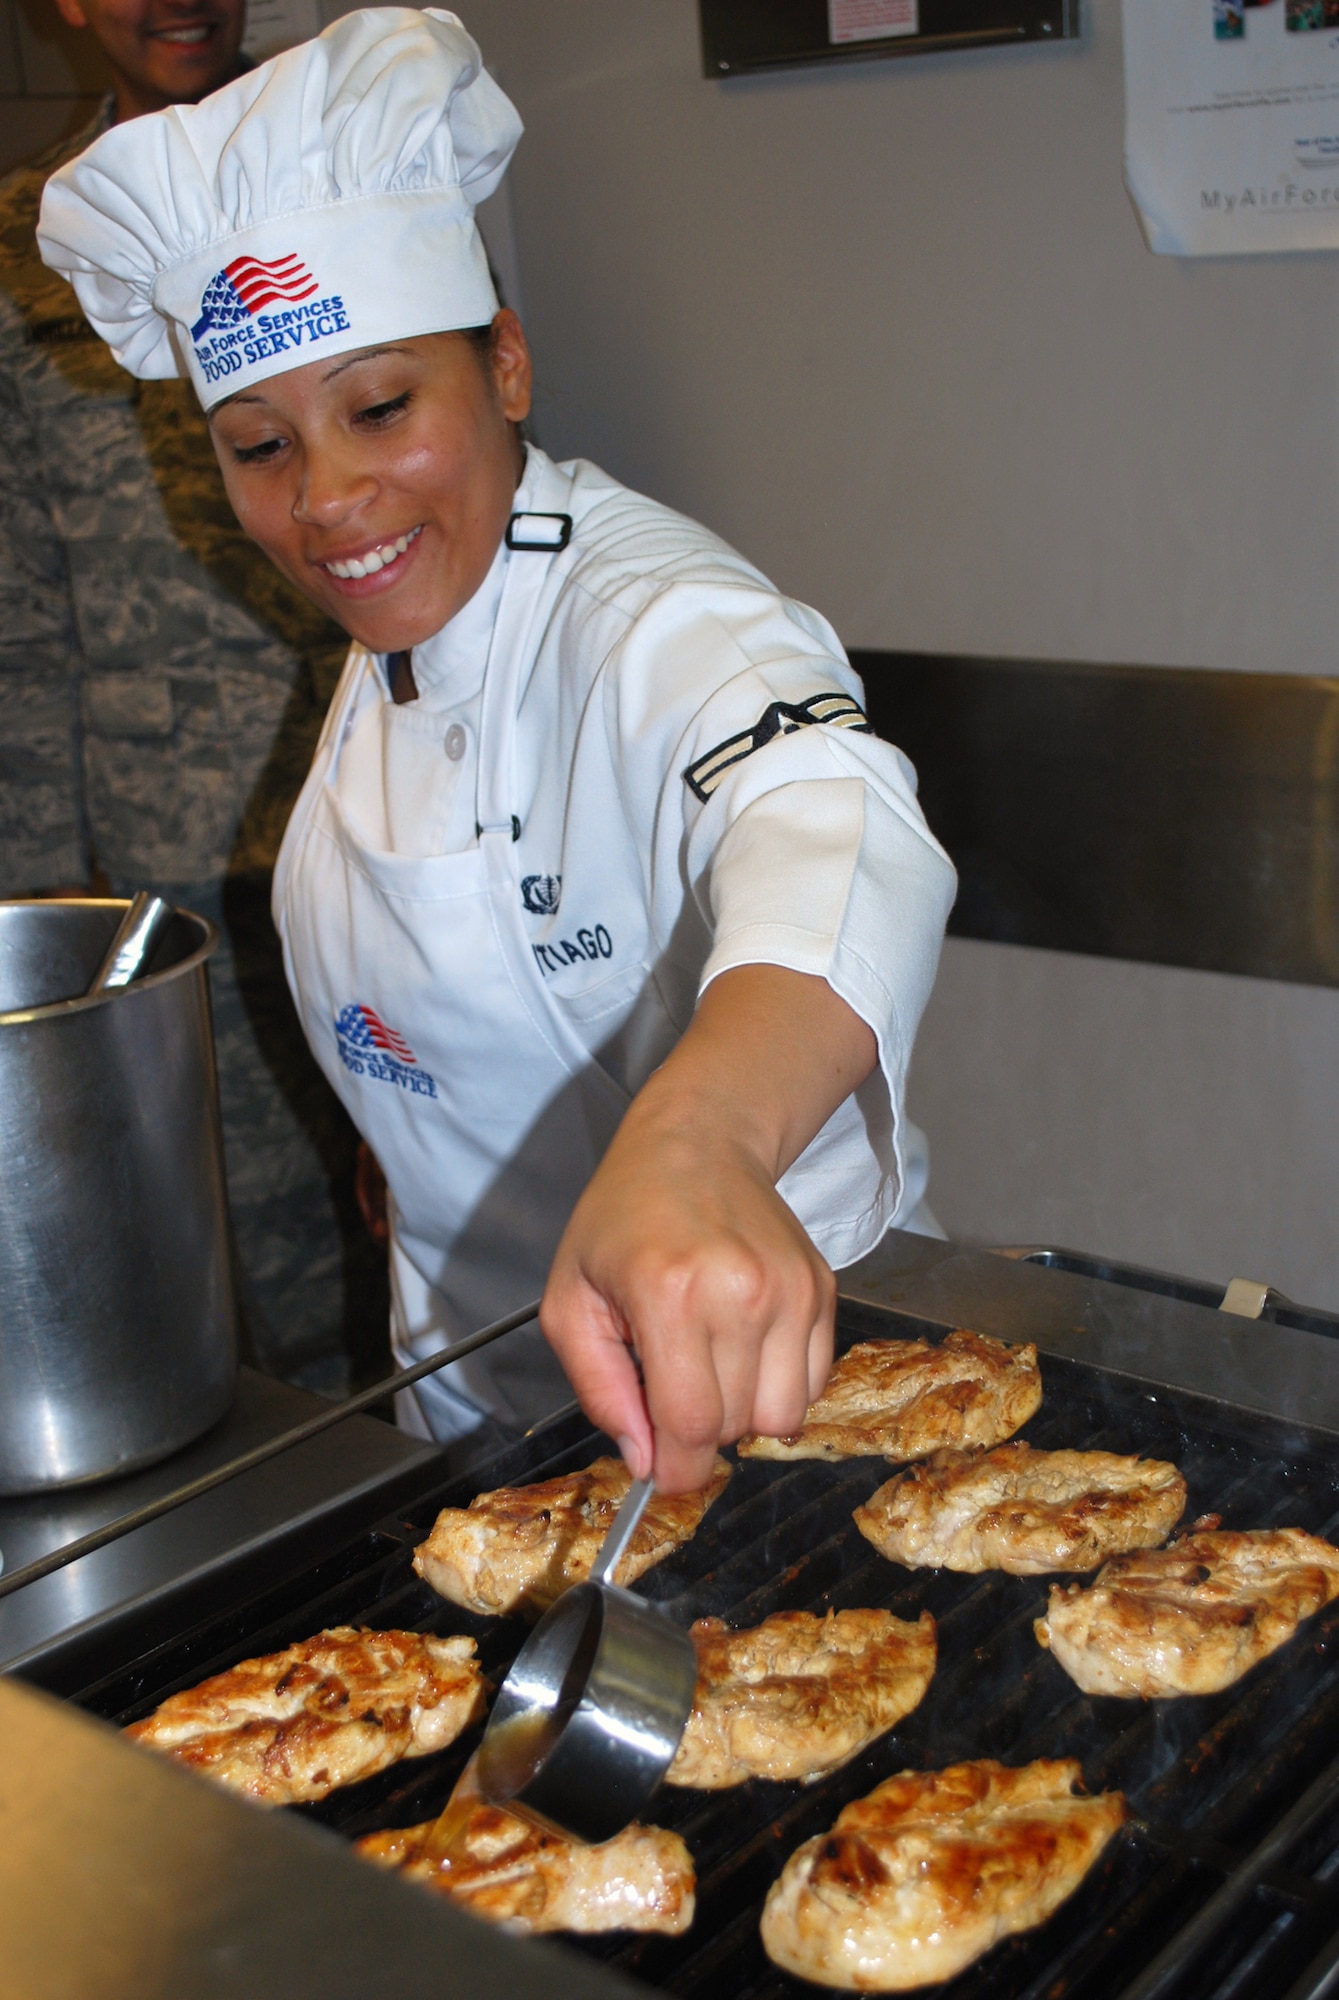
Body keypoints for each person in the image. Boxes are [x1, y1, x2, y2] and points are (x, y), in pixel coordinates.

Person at [38, 7, 957, 1491]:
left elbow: (833, 819)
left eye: (382, 408)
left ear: (508, 367)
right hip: (476, 1426)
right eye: (259, 446)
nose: (328, 499)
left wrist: (706, 1143)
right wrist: (414, 1141)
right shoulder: (397, 629)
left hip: (759, 1427)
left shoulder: (653, 613)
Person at [0, 0, 384, 1389]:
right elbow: (24, 619)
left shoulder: (347, 165)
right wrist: (42, 931)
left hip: (392, 823)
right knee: (269, 1287)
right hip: (182, 870)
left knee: (461, 1233)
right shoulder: (25, 249)